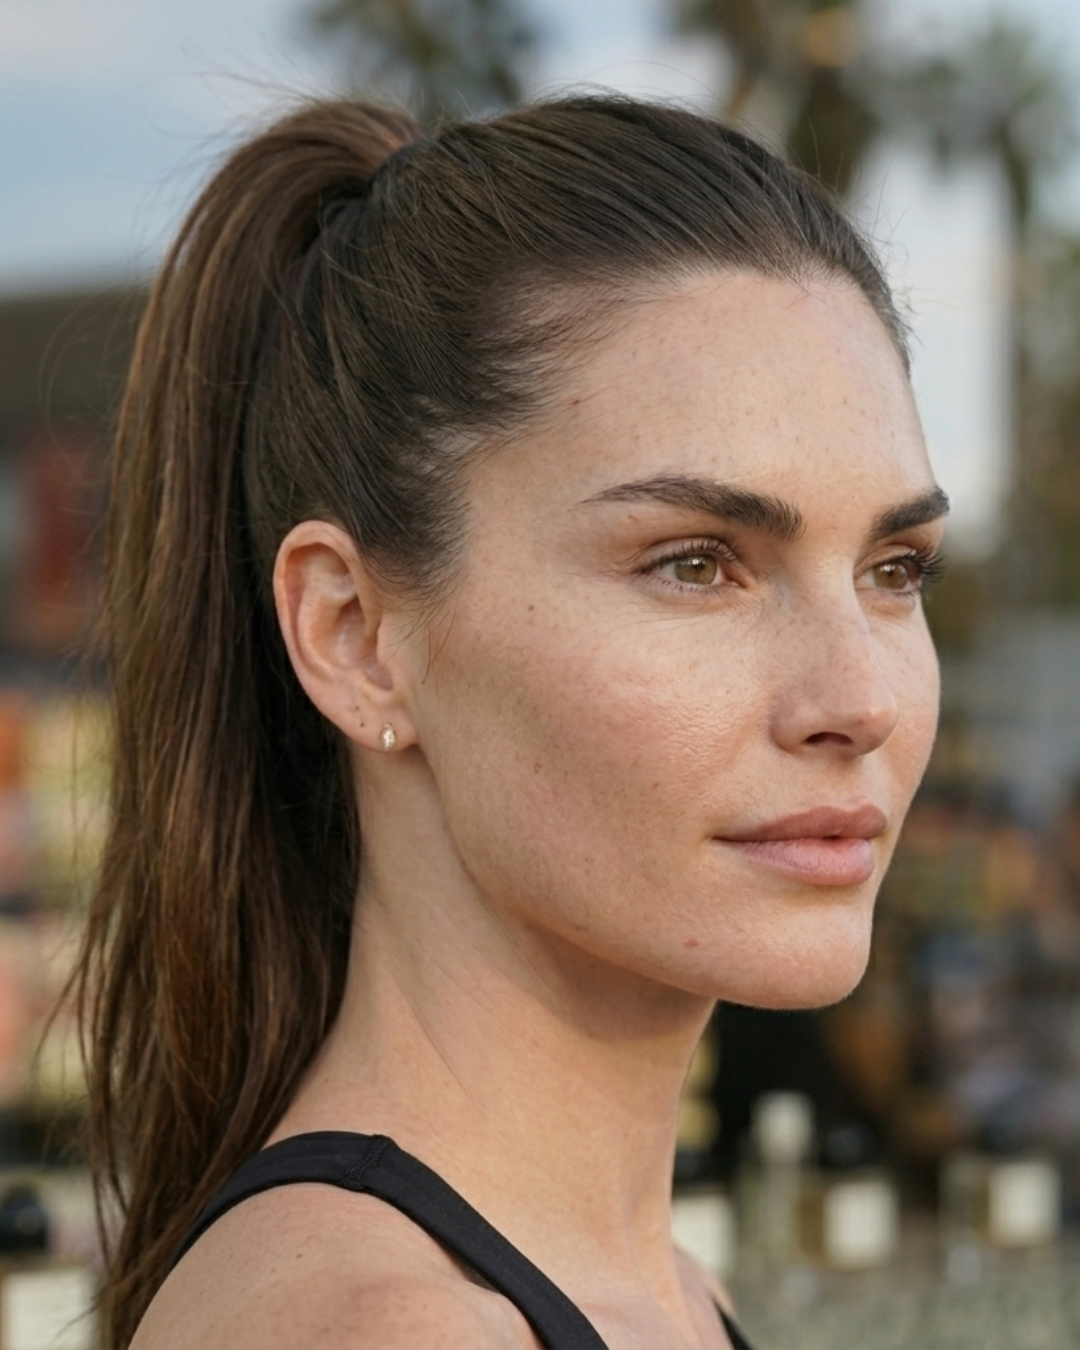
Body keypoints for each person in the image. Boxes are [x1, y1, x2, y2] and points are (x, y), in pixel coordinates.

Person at [75, 93, 947, 1350]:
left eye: (895, 568)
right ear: (356, 636)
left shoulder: (667, 1295)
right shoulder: (379, 1331)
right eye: (696, 563)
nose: (859, 699)